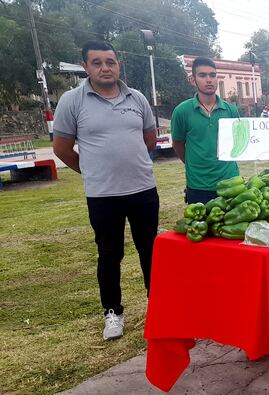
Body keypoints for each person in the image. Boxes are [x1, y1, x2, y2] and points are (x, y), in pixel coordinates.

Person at [52, 41, 159, 341]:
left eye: (110, 62)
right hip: (103, 196)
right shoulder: (72, 101)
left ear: (118, 65)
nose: (105, 68)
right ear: (85, 67)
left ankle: (158, 305)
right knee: (110, 254)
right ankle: (113, 312)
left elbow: (149, 139)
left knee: (151, 251)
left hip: (143, 190)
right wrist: (91, 171)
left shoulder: (137, 98)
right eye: (97, 62)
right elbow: (61, 148)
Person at [171, 57, 240, 204]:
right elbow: (178, 144)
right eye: (202, 75)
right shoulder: (181, 111)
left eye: (212, 75)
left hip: (231, 182)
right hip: (198, 185)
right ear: (193, 80)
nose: (209, 80)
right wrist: (193, 164)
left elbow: (239, 141)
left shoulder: (231, 110)